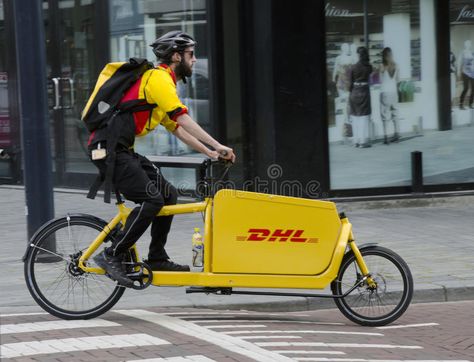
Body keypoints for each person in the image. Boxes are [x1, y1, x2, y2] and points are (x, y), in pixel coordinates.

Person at [91, 30, 236, 287]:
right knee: (152, 198)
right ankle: (112, 254)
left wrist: (210, 153)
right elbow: (182, 118)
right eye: (191, 55)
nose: (194, 60)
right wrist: (217, 144)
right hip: (108, 150)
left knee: (167, 194)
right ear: (177, 56)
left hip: (121, 149)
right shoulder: (158, 78)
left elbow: (176, 127)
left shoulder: (162, 82)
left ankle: (156, 257)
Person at [349, 46, 373, 148]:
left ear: (358, 55)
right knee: (363, 117)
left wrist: (351, 91)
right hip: (364, 92)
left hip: (354, 92)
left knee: (355, 117)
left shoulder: (353, 67)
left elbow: (350, 84)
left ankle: (356, 141)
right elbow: (370, 79)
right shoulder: (369, 67)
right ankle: (363, 141)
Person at [380, 47, 400, 144]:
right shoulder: (396, 65)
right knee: (395, 113)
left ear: (384, 56)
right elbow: (398, 80)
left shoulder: (382, 66)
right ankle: (396, 134)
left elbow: (380, 80)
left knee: (385, 115)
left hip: (385, 92)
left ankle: (386, 137)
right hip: (394, 92)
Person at [458, 40, 474, 110]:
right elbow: (459, 62)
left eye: (470, 43)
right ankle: (461, 104)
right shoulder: (463, 52)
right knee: (466, 88)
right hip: (465, 72)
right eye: (468, 43)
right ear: (465, 44)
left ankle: (470, 103)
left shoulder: (472, 52)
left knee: (473, 89)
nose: (469, 44)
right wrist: (458, 71)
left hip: (472, 73)